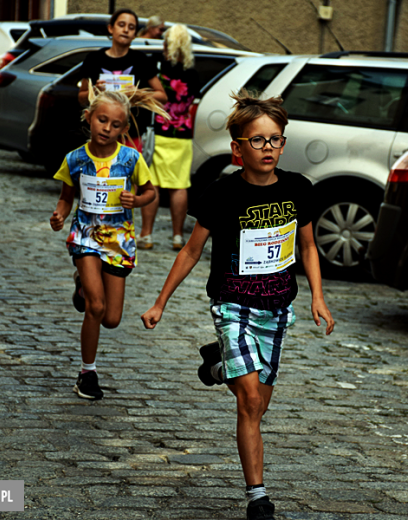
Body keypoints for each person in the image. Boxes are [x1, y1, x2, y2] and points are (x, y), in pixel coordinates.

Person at [141, 90, 335, 520]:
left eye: (276, 139)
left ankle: (217, 367)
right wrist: (160, 302)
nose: (269, 148)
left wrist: (318, 297)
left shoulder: (298, 189)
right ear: (237, 148)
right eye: (259, 140)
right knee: (248, 401)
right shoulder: (222, 193)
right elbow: (191, 251)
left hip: (277, 309)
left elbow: (307, 247)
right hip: (232, 304)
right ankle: (258, 497)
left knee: (259, 406)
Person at [50, 85, 166, 401]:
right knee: (96, 306)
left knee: (112, 319)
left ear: (125, 128)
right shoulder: (75, 159)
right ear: (89, 118)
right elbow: (65, 198)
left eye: (116, 125)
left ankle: (81, 286)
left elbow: (150, 191)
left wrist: (136, 199)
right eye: (102, 120)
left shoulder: (131, 158)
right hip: (86, 236)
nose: (107, 128)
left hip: (119, 242)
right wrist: (59, 216)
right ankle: (87, 373)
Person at [138, 24, 199, 251]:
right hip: (182, 134)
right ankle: (177, 237)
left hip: (160, 132)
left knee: (152, 184)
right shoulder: (192, 72)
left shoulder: (158, 69)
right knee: (179, 186)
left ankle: (146, 234)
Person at [77, 8, 166, 153]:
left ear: (135, 34)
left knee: (126, 174)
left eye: (131, 27)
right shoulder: (94, 59)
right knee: (100, 174)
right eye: (121, 25)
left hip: (130, 136)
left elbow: (162, 96)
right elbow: (81, 98)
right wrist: (94, 92)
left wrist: (138, 93)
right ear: (110, 28)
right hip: (100, 136)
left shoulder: (141, 60)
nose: (126, 30)